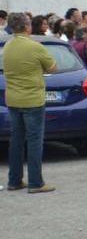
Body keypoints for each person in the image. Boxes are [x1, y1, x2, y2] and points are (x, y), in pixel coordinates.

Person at [4, 13, 57, 193]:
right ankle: (35, 182)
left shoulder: (7, 46)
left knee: (16, 140)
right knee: (34, 141)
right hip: (32, 98)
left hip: (12, 98)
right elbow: (52, 67)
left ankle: (14, 180)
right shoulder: (35, 46)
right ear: (27, 27)